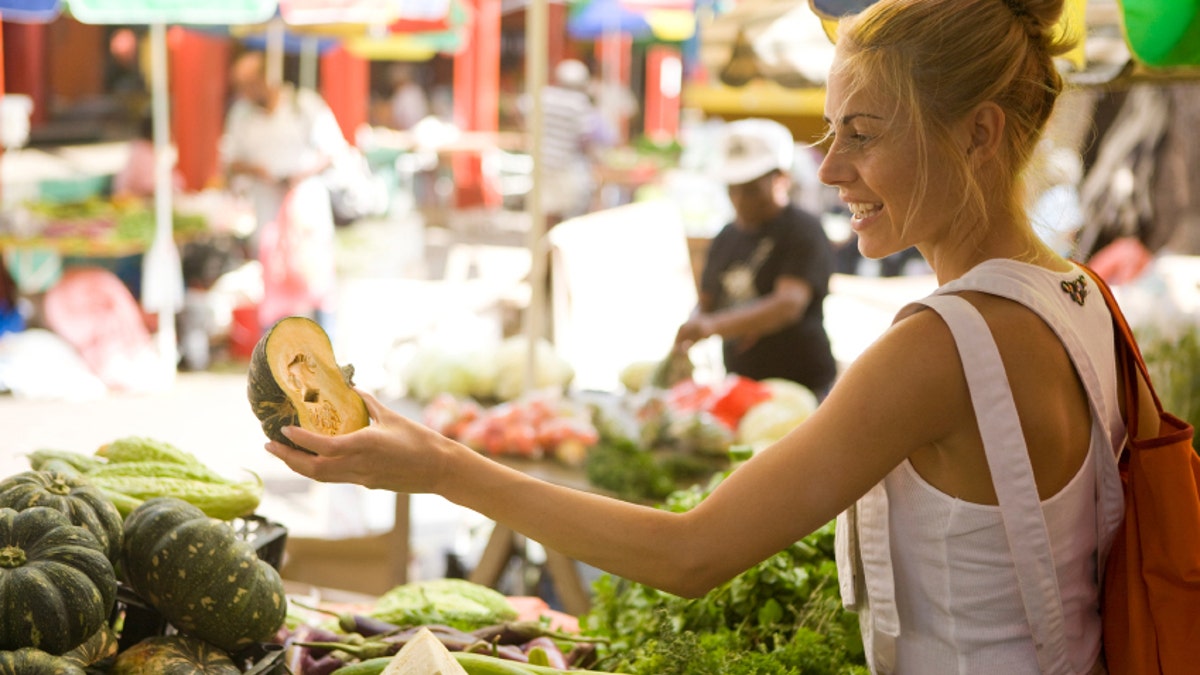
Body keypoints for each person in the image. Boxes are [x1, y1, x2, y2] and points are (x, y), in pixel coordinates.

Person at [265, 1, 1145, 671]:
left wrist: (441, 466)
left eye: (863, 135)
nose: (830, 168)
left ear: (980, 133)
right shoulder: (1077, 295)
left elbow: (690, 554)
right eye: (830, 133)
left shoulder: (941, 346)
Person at [674, 118, 837, 398]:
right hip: (741, 383)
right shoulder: (726, 237)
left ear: (781, 179)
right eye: (732, 189)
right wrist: (692, 329)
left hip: (801, 385)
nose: (739, 200)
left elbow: (789, 304)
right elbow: (707, 300)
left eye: (751, 189)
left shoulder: (802, 230)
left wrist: (712, 326)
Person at [220, 51, 344, 334]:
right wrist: (257, 170)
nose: (248, 92)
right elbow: (229, 161)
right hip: (269, 218)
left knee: (318, 288)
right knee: (274, 294)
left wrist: (299, 174)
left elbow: (333, 149)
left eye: (251, 83)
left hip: (307, 214)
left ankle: (327, 355)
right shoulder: (241, 115)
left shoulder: (304, 105)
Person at [538, 59, 602, 225]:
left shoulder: (545, 95)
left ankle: (544, 246)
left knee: (546, 210)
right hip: (566, 164)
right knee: (568, 211)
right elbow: (586, 137)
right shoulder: (579, 103)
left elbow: (519, 108)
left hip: (542, 159)